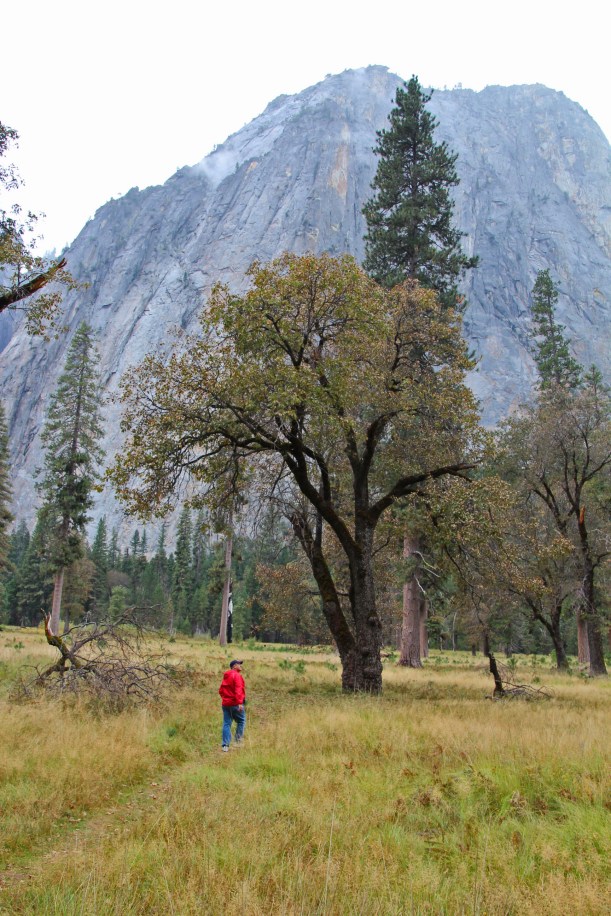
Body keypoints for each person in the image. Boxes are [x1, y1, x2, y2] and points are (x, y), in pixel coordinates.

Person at [219, 659, 246, 751]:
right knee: (241, 721)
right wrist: (239, 702)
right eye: (239, 664)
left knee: (226, 723)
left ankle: (225, 746)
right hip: (235, 703)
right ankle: (237, 743)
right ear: (234, 666)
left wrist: (225, 698)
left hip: (226, 704)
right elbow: (238, 689)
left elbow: (221, 690)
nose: (240, 665)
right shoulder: (237, 675)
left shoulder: (226, 675)